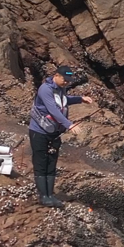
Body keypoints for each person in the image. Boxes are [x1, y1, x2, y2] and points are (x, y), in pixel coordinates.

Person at [28, 65, 94, 208]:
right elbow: (53, 109)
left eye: (69, 81)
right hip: (39, 132)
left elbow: (63, 101)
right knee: (41, 163)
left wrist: (80, 99)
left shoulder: (61, 88)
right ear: (56, 75)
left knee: (51, 163)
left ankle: (50, 195)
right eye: (65, 80)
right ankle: (43, 197)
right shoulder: (45, 89)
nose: (67, 83)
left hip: (54, 133)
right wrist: (69, 125)